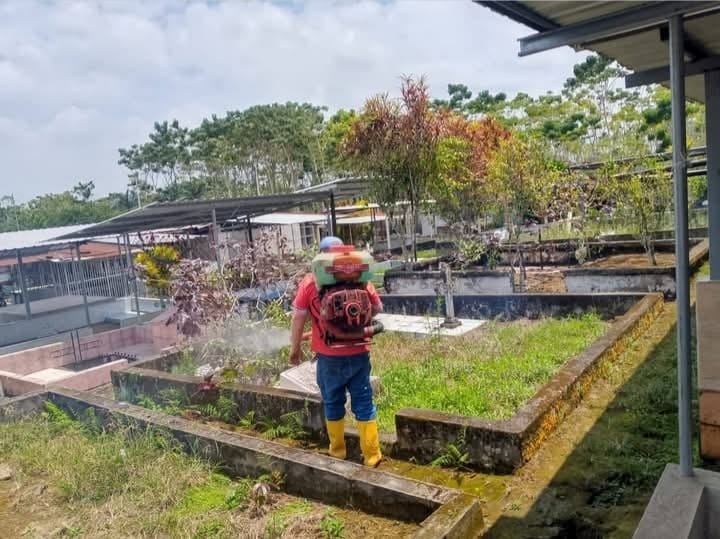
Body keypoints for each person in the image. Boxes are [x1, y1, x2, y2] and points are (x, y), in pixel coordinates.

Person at [289, 236, 384, 467]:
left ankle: (338, 451)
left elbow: (298, 319)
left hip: (329, 357)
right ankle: (372, 456)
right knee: (363, 401)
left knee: (332, 401)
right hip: (359, 353)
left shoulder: (310, 282)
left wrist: (295, 350)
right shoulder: (361, 280)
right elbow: (377, 308)